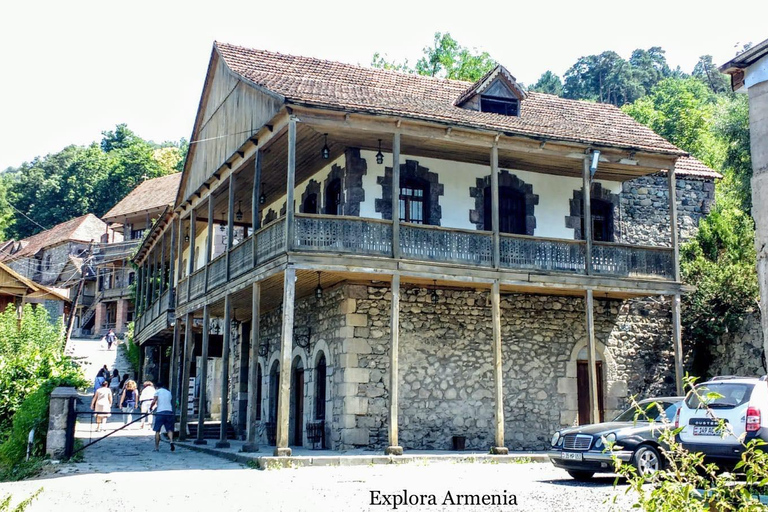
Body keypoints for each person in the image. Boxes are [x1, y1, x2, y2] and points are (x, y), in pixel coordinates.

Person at [151, 382, 175, 452]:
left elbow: (154, 401)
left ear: (156, 387)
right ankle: (171, 441)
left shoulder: (157, 392)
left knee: (157, 430)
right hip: (169, 411)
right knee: (169, 429)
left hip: (160, 412)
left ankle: (156, 447)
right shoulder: (168, 392)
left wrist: (151, 407)